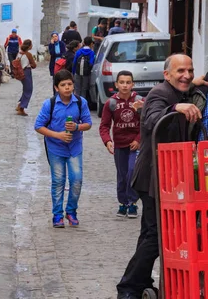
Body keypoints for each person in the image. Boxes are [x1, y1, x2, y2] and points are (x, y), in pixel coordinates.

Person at [116, 54, 203, 299]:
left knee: (149, 233)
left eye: (190, 70)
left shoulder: (180, 90)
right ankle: (129, 288)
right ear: (167, 74)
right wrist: (174, 108)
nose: (186, 75)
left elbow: (188, 85)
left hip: (167, 178)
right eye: (180, 71)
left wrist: (196, 82)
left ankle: (138, 282)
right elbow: (152, 119)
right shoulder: (159, 94)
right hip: (153, 178)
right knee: (158, 234)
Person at [34, 70, 93, 228]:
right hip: (56, 149)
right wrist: (58, 135)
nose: (67, 88)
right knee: (58, 181)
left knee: (77, 180)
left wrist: (76, 127)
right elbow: (38, 126)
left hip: (74, 148)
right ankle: (57, 215)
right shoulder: (50, 104)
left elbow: (88, 123)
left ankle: (71, 211)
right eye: (63, 85)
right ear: (56, 88)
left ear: (73, 85)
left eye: (69, 84)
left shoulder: (81, 102)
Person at [99, 71, 144, 218]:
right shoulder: (111, 103)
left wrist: (138, 139)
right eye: (122, 82)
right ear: (116, 84)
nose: (125, 85)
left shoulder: (139, 101)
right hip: (119, 145)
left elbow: (146, 123)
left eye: (128, 82)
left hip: (135, 145)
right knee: (122, 175)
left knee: (133, 172)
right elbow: (104, 126)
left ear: (133, 84)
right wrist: (107, 141)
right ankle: (123, 203)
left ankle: (132, 203)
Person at [15, 39, 37, 116]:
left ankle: (20, 104)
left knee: (25, 89)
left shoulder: (19, 53)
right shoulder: (28, 54)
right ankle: (22, 107)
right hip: (26, 71)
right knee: (28, 90)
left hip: (20, 72)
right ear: (29, 46)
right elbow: (34, 65)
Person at [72, 36, 95, 101]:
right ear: (91, 44)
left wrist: (73, 73)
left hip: (78, 72)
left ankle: (76, 102)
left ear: (83, 43)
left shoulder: (79, 52)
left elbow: (74, 63)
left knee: (77, 89)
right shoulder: (91, 53)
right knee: (84, 89)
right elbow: (91, 63)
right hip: (86, 74)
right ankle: (82, 103)